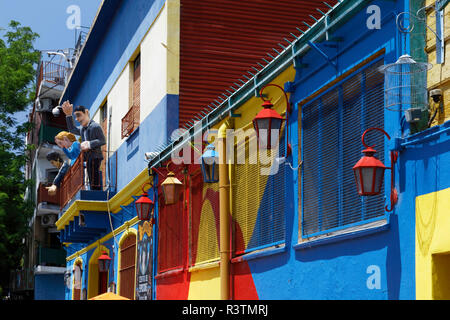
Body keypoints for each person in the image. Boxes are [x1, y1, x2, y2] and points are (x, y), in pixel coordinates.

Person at [61, 100, 106, 190]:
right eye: (76, 116)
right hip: (87, 156)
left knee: (94, 175)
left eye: (79, 115)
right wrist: (68, 115)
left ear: (86, 112)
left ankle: (96, 191)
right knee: (90, 175)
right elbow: (72, 129)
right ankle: (92, 190)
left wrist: (90, 144)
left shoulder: (95, 126)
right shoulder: (82, 129)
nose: (77, 119)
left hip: (95, 155)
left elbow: (102, 140)